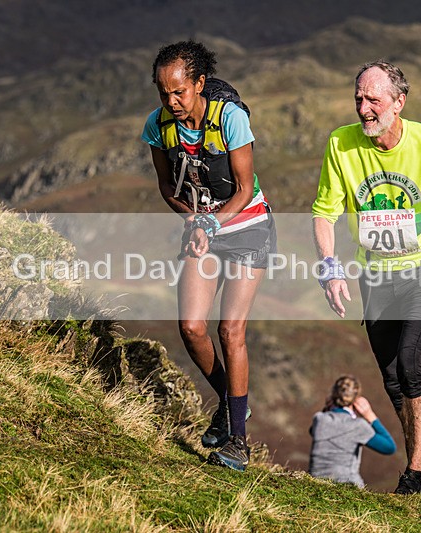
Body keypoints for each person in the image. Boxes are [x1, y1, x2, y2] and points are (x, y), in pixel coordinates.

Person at [311, 59, 421, 495]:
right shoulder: (341, 144)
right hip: (376, 274)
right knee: (394, 382)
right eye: (358, 99)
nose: (364, 108)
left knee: (412, 366)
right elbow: (324, 212)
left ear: (398, 102)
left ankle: (412, 475)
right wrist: (330, 268)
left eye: (374, 99)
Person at [141, 41, 276, 471]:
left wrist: (212, 224)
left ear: (199, 83)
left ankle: (238, 441)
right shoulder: (158, 126)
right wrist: (193, 221)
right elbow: (167, 188)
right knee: (191, 327)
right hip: (201, 229)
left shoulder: (230, 119)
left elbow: (242, 188)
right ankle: (231, 402)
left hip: (247, 226)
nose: (172, 101)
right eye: (164, 92)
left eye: (179, 91)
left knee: (230, 330)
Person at [309, 375, 396, 487]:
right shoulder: (358, 426)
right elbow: (389, 447)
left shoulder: (320, 419)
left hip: (316, 482)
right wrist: (370, 416)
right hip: (348, 484)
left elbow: (313, 431)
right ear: (356, 400)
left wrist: (327, 407)